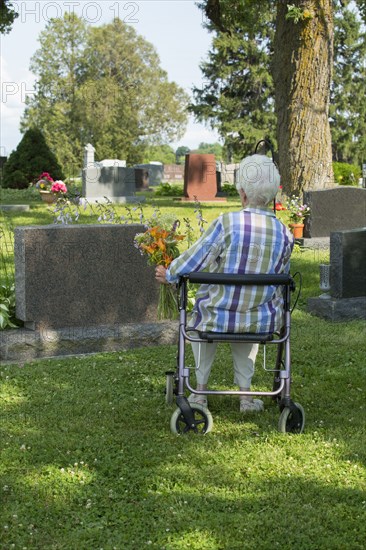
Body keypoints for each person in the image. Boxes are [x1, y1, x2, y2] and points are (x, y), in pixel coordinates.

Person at [155, 154, 294, 413]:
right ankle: (245, 397)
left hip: (215, 315)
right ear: (273, 194)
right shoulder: (285, 234)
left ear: (242, 193)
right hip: (260, 319)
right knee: (247, 324)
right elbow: (282, 275)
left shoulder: (227, 223)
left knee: (200, 323)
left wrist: (171, 273)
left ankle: (199, 393)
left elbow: (197, 256)